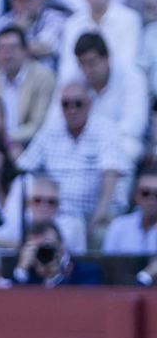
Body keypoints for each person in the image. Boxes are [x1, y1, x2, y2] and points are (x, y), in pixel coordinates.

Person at [17, 82, 120, 243]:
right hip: (52, 210)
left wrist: (100, 213)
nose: (72, 109)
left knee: (73, 231)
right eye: (66, 104)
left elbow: (111, 172)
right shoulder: (51, 129)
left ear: (89, 104)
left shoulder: (105, 129)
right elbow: (24, 167)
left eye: (78, 103)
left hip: (87, 213)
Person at [72, 32, 150, 166]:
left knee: (128, 149)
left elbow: (134, 126)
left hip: (120, 140)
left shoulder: (132, 77)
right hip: (83, 142)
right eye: (82, 64)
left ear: (107, 58)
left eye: (92, 62)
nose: (88, 69)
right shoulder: (76, 80)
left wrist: (98, 138)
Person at [0, 26, 55, 145]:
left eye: (12, 47)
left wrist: (5, 140)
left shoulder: (43, 77)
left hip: (28, 143)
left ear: (26, 51)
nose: (7, 54)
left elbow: (39, 125)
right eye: (2, 48)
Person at [58, 0, 142, 71]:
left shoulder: (130, 19)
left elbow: (127, 62)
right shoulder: (72, 23)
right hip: (82, 82)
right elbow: (68, 65)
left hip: (120, 82)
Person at [0, 0, 68, 68]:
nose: (24, 4)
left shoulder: (55, 18)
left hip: (48, 75)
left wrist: (19, 32)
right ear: (11, 2)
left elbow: (44, 48)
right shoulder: (3, 21)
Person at [12, 221, 104, 284]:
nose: (42, 252)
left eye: (47, 246)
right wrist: (21, 270)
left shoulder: (88, 273)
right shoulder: (27, 276)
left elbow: (81, 305)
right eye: (36, 247)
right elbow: (9, 305)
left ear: (62, 247)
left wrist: (55, 276)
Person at [102, 165, 157, 254]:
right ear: (136, 195)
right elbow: (108, 263)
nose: (152, 199)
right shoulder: (118, 226)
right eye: (145, 193)